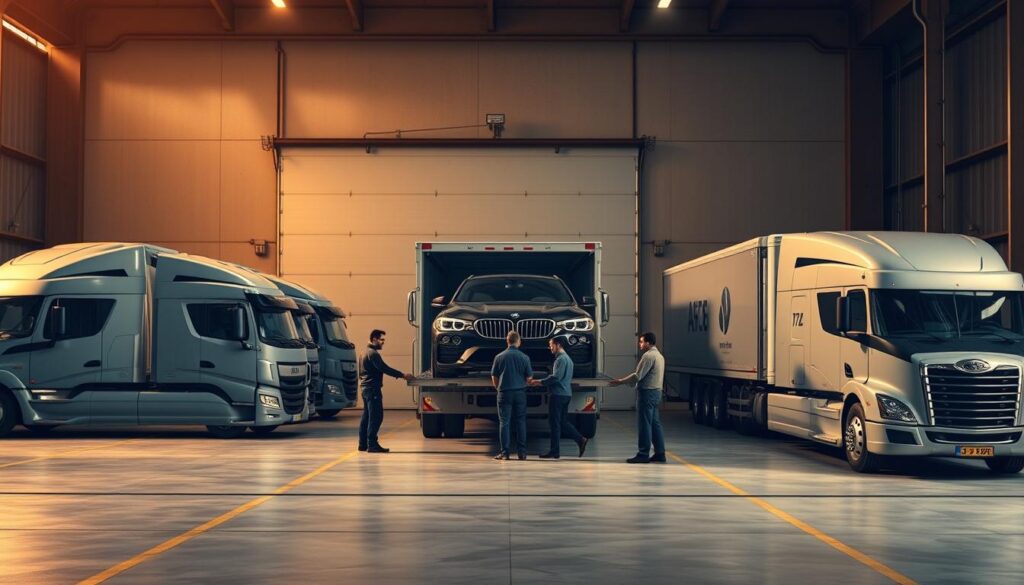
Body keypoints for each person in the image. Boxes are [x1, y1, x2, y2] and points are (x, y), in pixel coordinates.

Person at [610, 332, 666, 464]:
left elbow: (637, 376)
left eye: (641, 342)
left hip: (647, 393)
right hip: (657, 392)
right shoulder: (659, 356)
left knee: (645, 424)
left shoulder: (648, 356)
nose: (640, 344)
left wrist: (620, 381)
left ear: (648, 343)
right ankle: (660, 453)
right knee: (655, 423)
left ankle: (643, 453)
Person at [529, 336, 588, 459]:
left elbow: (556, 378)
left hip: (558, 395)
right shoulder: (569, 360)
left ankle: (555, 451)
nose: (550, 347)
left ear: (558, 345)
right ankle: (580, 439)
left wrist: (538, 382)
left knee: (554, 424)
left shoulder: (560, 359)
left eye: (551, 344)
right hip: (566, 394)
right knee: (562, 422)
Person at [358, 329, 415, 453]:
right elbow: (384, 368)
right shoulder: (373, 354)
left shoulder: (363, 352)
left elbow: (360, 372)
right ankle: (372, 444)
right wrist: (402, 375)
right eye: (381, 340)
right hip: (372, 389)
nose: (383, 343)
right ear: (374, 339)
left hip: (365, 388)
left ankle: (362, 444)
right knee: (376, 416)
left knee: (367, 416)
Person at [491, 331, 533, 461]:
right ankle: (522, 453)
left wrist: (498, 388)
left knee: (504, 422)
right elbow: (529, 377)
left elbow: (494, 376)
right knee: (520, 422)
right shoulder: (525, 357)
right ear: (518, 341)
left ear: (507, 341)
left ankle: (505, 453)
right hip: (520, 393)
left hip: (504, 392)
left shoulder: (499, 357)